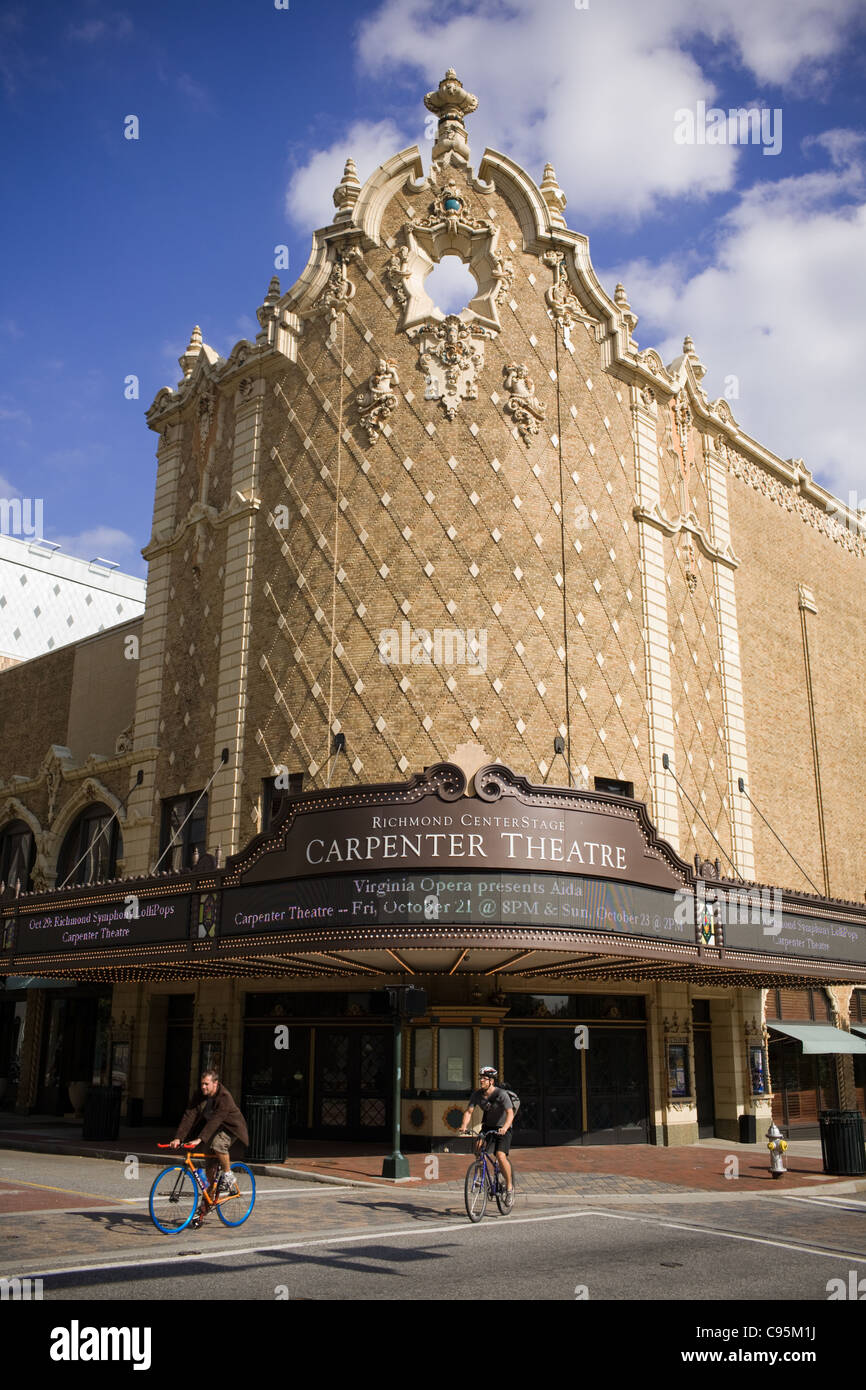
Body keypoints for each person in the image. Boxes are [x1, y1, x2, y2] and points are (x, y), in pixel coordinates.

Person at [170, 1070, 249, 1227]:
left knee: (218, 1145)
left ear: (215, 1083)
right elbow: (189, 1115)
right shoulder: (199, 1095)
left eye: (206, 1084)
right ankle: (205, 1208)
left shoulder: (224, 1096)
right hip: (212, 1129)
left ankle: (228, 1174)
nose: (203, 1087)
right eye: (202, 1084)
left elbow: (217, 1119)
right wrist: (179, 1137)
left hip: (230, 1128)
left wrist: (200, 1138)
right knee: (209, 1170)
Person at [458, 1066, 514, 1200]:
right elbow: (469, 1111)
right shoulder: (476, 1095)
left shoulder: (501, 1094)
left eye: (484, 1078)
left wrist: (505, 1127)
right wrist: (463, 1126)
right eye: (481, 1078)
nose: (481, 1081)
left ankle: (510, 1188)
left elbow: (510, 1113)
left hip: (503, 1128)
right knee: (478, 1147)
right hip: (488, 1127)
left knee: (500, 1156)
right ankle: (478, 1176)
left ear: (491, 1081)